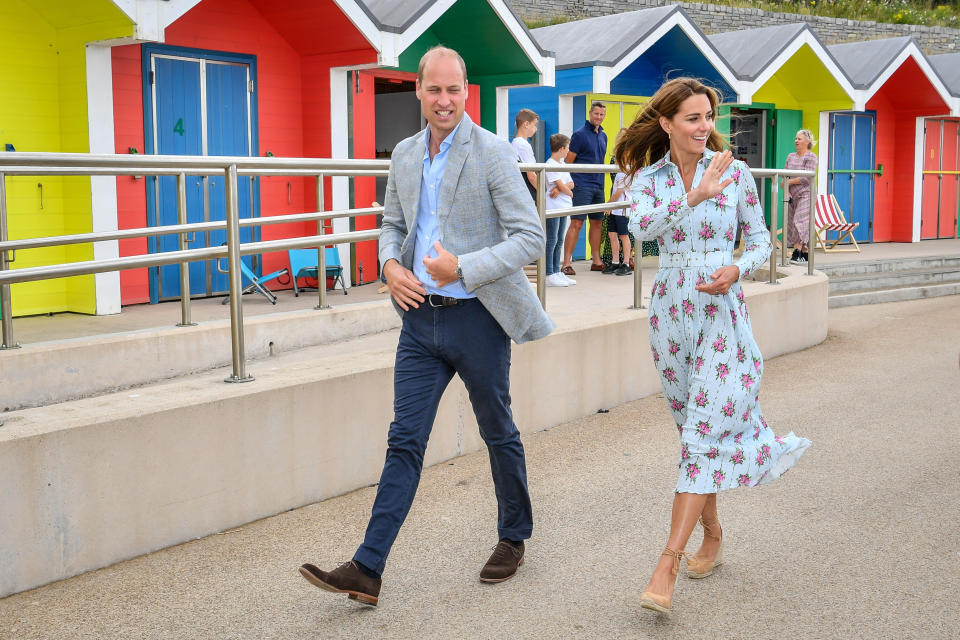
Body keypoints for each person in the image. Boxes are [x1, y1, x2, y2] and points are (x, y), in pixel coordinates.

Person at [299, 46, 554, 606]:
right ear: (418, 90)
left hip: (478, 321)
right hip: (419, 322)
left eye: (454, 90)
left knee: (497, 432)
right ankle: (367, 568)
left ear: (468, 92)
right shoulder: (406, 155)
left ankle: (514, 536)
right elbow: (391, 224)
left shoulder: (490, 153)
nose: (445, 100)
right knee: (404, 441)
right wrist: (391, 267)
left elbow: (530, 237)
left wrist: (461, 267)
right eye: (434, 90)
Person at [617, 77, 811, 614]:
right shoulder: (645, 177)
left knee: (702, 434)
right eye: (693, 119)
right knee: (693, 435)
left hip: (723, 313)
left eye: (709, 118)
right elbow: (641, 228)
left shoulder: (738, 173)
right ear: (667, 124)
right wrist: (693, 195)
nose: (705, 128)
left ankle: (666, 563)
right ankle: (714, 533)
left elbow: (762, 241)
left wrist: (737, 267)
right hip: (671, 313)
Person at [561, 101, 607, 275]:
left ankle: (596, 261)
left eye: (602, 114)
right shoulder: (579, 135)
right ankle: (566, 263)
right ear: (590, 113)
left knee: (597, 223)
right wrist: (572, 183)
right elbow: (568, 162)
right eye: (596, 114)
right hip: (582, 185)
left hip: (598, 186)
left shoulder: (604, 136)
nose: (599, 117)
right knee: (577, 222)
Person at [545, 133, 576, 286]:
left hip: (563, 206)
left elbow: (571, 183)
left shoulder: (563, 165)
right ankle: (549, 272)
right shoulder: (550, 163)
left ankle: (557, 271)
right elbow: (565, 186)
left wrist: (561, 188)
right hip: (554, 207)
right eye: (568, 148)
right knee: (552, 239)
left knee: (560, 239)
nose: (568, 151)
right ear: (562, 148)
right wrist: (565, 190)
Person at [784, 129, 817, 265]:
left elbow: (806, 178)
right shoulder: (790, 156)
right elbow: (783, 175)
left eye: (799, 139)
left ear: (807, 141)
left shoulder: (811, 157)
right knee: (791, 223)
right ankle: (805, 252)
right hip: (792, 195)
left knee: (800, 220)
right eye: (796, 138)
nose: (796, 141)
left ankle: (796, 250)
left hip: (806, 194)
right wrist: (786, 189)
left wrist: (788, 181)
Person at [603, 129, 633, 276]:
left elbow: (620, 191)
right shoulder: (619, 168)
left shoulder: (627, 169)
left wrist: (608, 204)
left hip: (621, 208)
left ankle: (626, 262)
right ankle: (615, 261)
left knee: (623, 235)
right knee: (612, 234)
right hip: (615, 208)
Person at [512, 108, 539, 203]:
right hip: (528, 194)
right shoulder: (523, 145)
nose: (536, 128)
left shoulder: (515, 143)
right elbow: (531, 175)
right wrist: (543, 192)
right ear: (526, 124)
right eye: (535, 125)